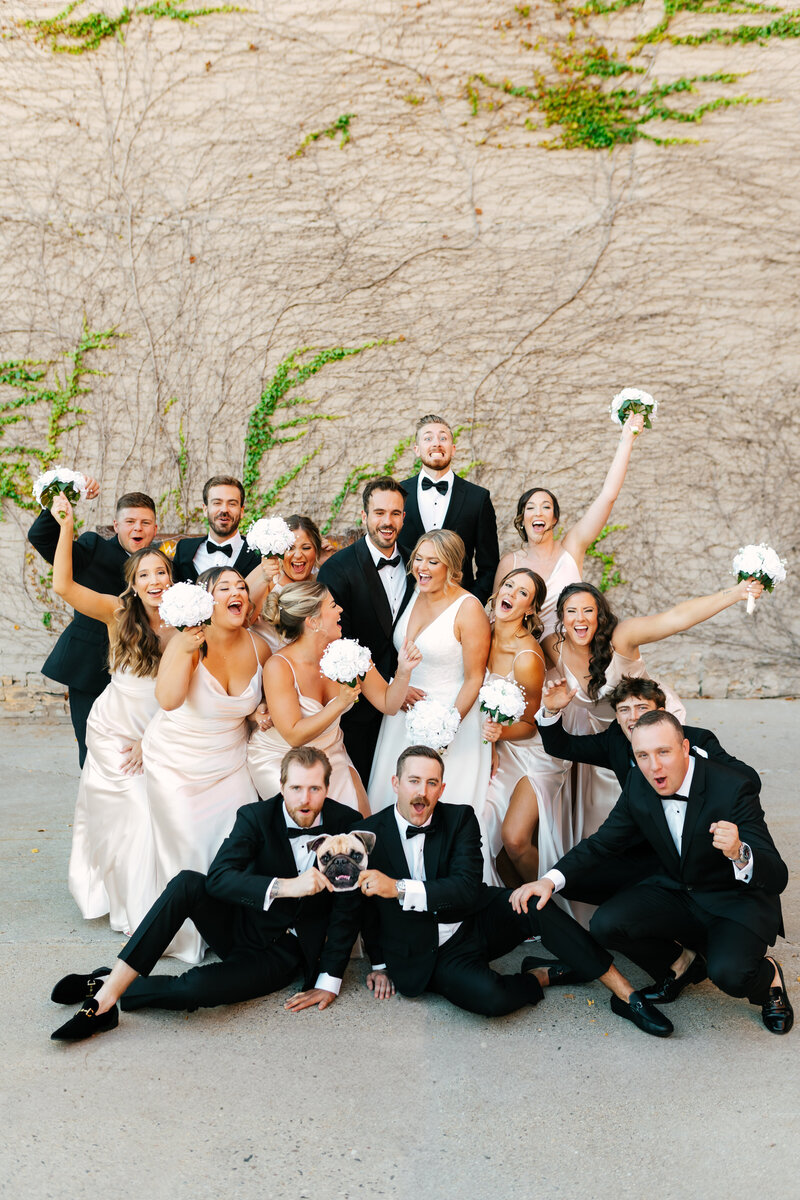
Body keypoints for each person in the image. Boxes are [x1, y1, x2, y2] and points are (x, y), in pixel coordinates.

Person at [351, 746, 672, 1036]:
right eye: (414, 781)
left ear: (442, 788)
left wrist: (398, 888)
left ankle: (627, 995)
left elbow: (464, 889)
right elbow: (365, 908)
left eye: (432, 783)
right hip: (431, 955)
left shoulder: (460, 818)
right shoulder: (370, 836)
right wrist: (379, 965)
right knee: (493, 999)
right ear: (396, 783)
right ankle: (543, 975)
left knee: (533, 902)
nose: (422, 792)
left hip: (474, 919)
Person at [50, 748, 361, 1041]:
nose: (304, 799)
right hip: (242, 925)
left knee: (194, 988)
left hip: (283, 952)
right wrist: (285, 886)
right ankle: (104, 1004)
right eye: (295, 788)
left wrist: (329, 982)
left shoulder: (347, 824)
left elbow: (348, 909)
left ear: (327, 787)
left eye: (314, 789)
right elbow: (219, 878)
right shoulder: (256, 816)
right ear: (281, 786)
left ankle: (107, 981)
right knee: (187, 883)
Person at [517, 711, 793, 1036]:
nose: (654, 766)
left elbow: (778, 876)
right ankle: (682, 962)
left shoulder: (733, 787)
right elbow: (604, 842)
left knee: (731, 975)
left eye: (663, 752)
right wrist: (549, 880)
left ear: (685, 748)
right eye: (642, 755)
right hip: (681, 890)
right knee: (607, 924)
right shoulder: (639, 782)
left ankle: (769, 978)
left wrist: (740, 852)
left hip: (734, 901)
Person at [535, 577, 763, 860]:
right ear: (561, 617)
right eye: (571, 611)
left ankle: (722, 851)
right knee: (612, 821)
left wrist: (737, 593)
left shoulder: (623, 636)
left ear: (600, 614)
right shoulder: (552, 645)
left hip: (650, 721)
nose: (580, 619)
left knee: (681, 799)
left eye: (588, 611)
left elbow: (677, 618)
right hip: (609, 738)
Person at [49, 494, 176, 936]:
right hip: (114, 730)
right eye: (145, 575)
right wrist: (66, 525)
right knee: (129, 809)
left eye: (161, 572)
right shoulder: (117, 612)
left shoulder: (186, 622)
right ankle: (121, 895)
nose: (154, 580)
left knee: (160, 810)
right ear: (134, 583)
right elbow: (64, 587)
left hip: (161, 730)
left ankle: (156, 894)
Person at [142, 566, 271, 964]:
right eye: (225, 587)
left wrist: (259, 711)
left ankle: (228, 927)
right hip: (177, 761)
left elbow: (261, 700)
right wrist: (182, 648)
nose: (237, 592)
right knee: (193, 845)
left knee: (234, 843)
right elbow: (167, 699)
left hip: (230, 760)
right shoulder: (187, 643)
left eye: (242, 587)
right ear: (206, 601)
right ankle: (186, 933)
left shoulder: (260, 647)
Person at [248, 582, 421, 816]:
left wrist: (403, 671)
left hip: (330, 751)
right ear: (313, 621)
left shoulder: (350, 654)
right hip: (280, 758)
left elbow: (388, 704)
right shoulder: (279, 666)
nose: (340, 610)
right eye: (332, 605)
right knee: (310, 818)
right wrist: (340, 703)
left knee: (356, 821)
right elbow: (293, 735)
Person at [27, 480, 158, 765]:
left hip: (141, 671)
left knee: (137, 749)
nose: (138, 528)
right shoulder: (93, 547)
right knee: (92, 746)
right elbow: (41, 538)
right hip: (90, 665)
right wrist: (62, 504)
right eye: (130, 521)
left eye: (145, 522)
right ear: (116, 525)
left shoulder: (160, 564)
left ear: (155, 529)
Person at [367, 530, 492, 817]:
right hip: (402, 717)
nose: (422, 568)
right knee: (390, 801)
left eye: (433, 562)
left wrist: (447, 728)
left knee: (441, 810)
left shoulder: (469, 609)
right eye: (418, 559)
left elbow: (475, 678)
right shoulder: (415, 592)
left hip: (449, 720)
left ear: (451, 566)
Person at [493, 412, 644, 638]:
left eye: (546, 506)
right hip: (524, 659)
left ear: (554, 518)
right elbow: (495, 617)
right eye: (531, 508)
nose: (538, 512)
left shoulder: (572, 547)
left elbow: (608, 496)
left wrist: (627, 439)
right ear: (522, 519)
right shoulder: (510, 562)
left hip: (570, 655)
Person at [318, 477, 416, 782]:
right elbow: (337, 639)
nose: (387, 521)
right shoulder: (337, 567)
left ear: (403, 516)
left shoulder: (418, 564)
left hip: (410, 704)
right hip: (360, 707)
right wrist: (390, 686)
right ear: (364, 516)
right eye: (379, 513)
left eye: (395, 513)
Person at [476, 567, 565, 887]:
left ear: (530, 608)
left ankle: (549, 908)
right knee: (476, 821)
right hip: (490, 745)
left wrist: (498, 735)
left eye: (522, 593)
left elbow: (529, 725)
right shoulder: (480, 632)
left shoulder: (527, 656)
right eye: (508, 585)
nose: (511, 594)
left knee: (512, 838)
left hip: (529, 752)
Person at [537, 674, 761, 790]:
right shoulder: (615, 740)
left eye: (642, 708)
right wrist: (551, 709)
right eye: (624, 710)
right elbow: (560, 746)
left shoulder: (697, 739)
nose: (633, 717)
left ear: (663, 714)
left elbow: (748, 779)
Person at [397, 414, 499, 605]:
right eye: (428, 438)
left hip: (458, 606)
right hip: (406, 603)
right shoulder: (398, 494)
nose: (436, 443)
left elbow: (489, 565)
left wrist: (470, 602)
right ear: (417, 450)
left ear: (453, 450)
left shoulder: (478, 498)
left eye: (443, 438)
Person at [250, 514, 323, 653]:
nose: (298, 555)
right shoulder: (269, 577)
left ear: (316, 551)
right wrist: (263, 580)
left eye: (306, 548)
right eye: (290, 548)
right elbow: (245, 620)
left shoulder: (321, 581)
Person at [171, 475, 261, 583]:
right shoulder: (184, 549)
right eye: (217, 503)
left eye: (232, 504)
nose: (224, 510)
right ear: (205, 509)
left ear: (241, 511)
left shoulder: (258, 553)